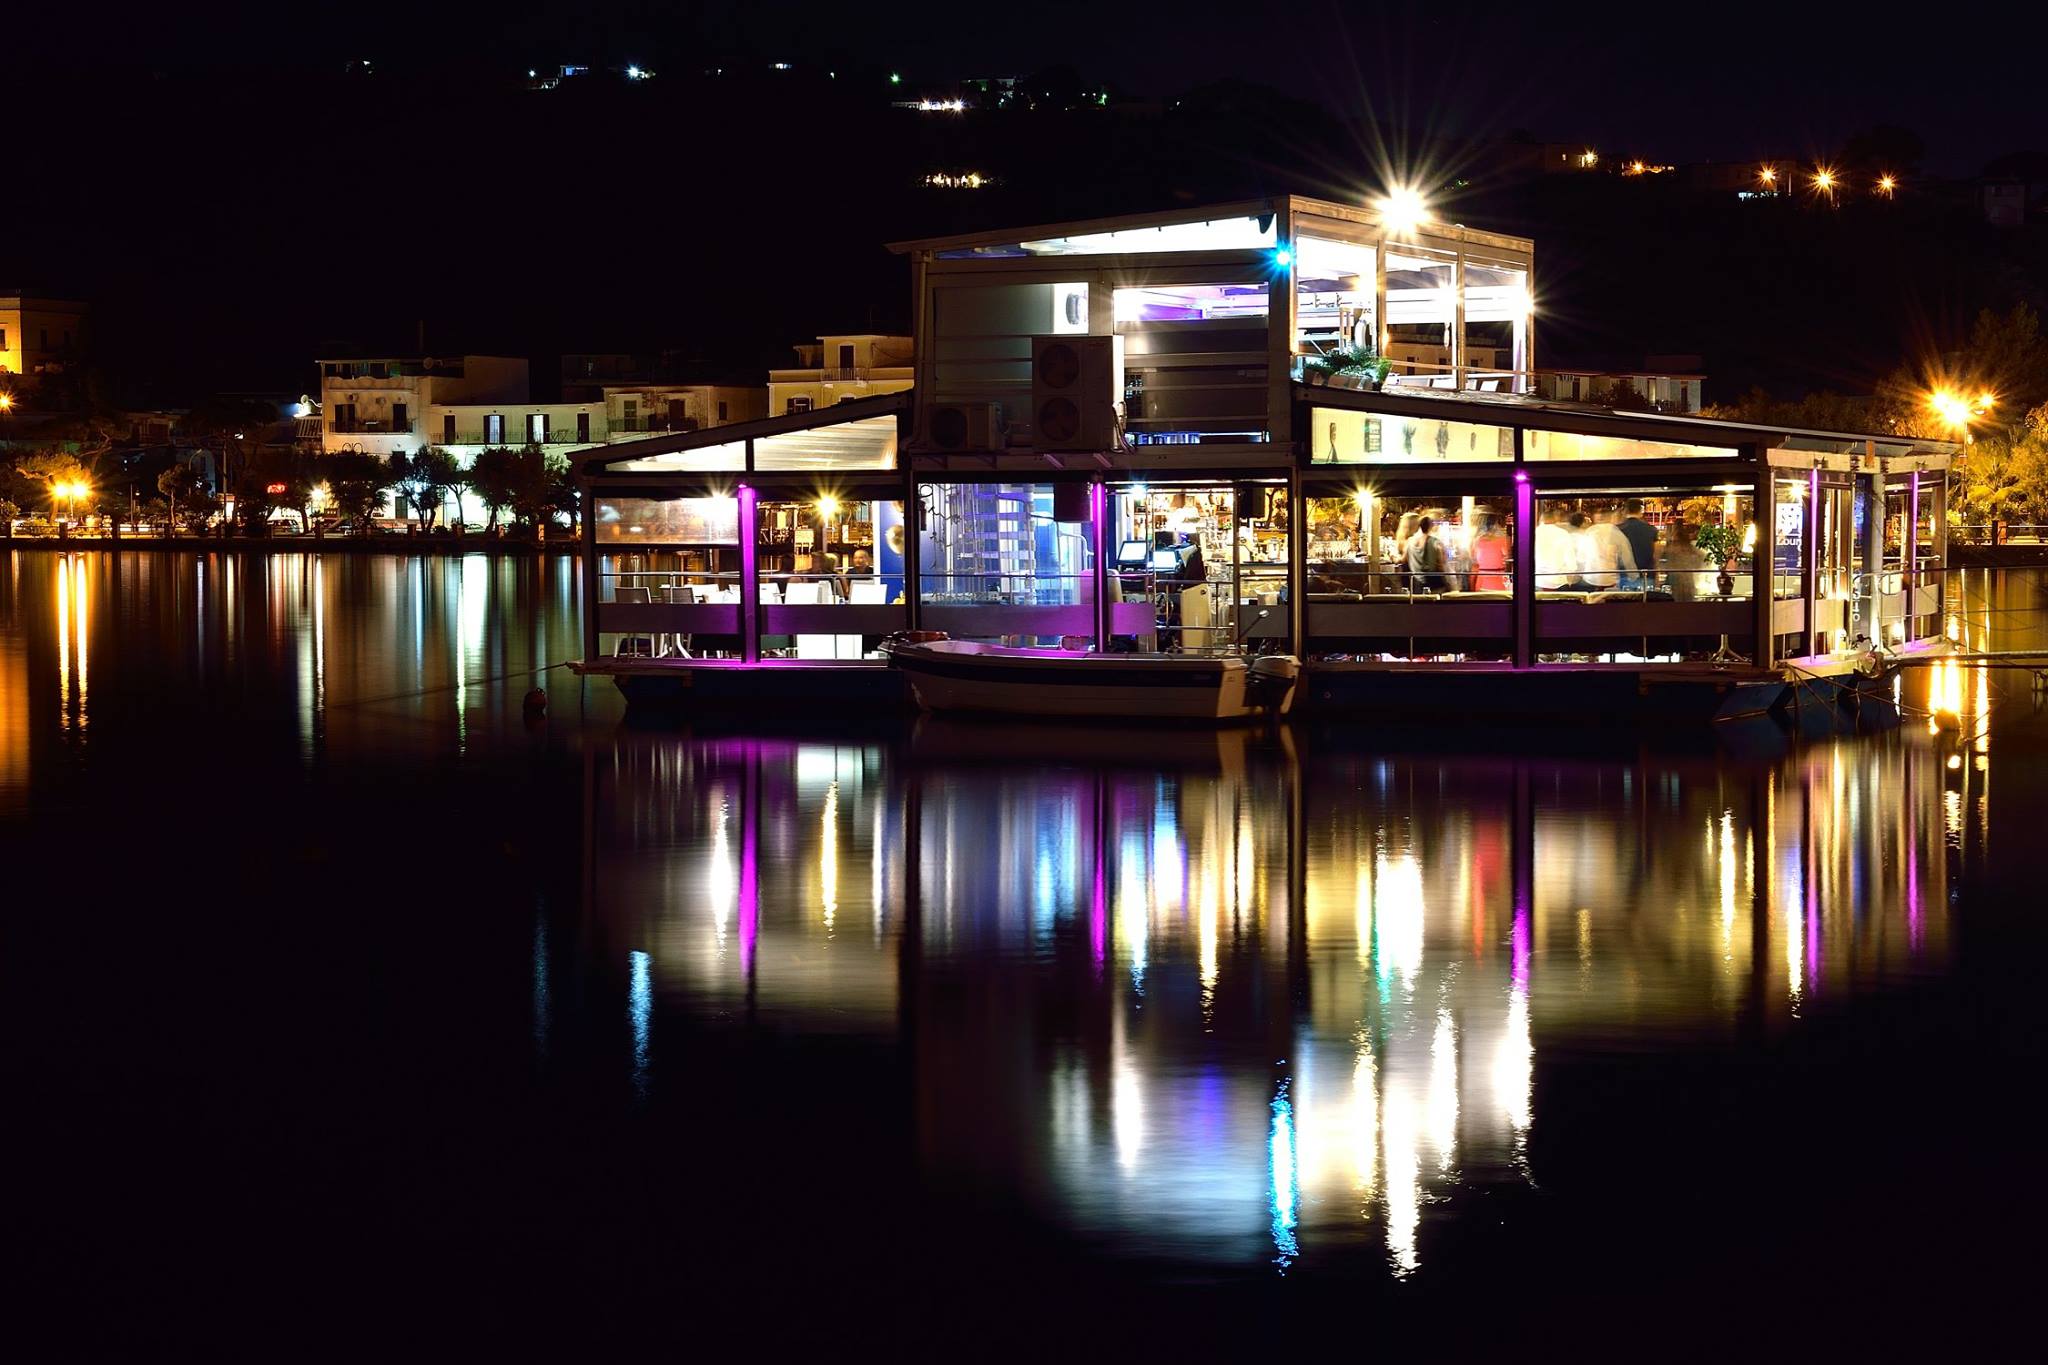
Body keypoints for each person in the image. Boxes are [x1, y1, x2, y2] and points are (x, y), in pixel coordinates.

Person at [1579, 505, 1639, 591]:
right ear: (1610, 517)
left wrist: (1580, 574)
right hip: (1610, 579)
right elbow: (1627, 558)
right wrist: (1633, 576)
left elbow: (1581, 557)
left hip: (1590, 578)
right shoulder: (1616, 533)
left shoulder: (1589, 532)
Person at [1535, 504, 1578, 591]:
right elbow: (1570, 560)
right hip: (1558, 581)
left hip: (1538, 581)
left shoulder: (1535, 532)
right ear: (1556, 519)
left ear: (1542, 519)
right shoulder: (1563, 533)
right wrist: (1571, 576)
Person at [1617, 499, 1658, 589]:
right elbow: (1655, 554)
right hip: (1646, 575)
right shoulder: (1651, 529)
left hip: (1624, 574)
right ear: (1641, 510)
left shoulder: (1618, 529)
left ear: (1626, 510)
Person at [1469, 512, 1511, 592]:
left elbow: (1474, 567)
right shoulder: (1504, 540)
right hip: (1499, 581)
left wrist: (1471, 587)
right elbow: (1506, 559)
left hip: (1481, 582)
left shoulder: (1475, 541)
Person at [1665, 522, 1707, 601]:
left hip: (1678, 582)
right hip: (1686, 582)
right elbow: (1702, 559)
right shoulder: (1691, 550)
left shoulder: (1673, 549)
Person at [1406, 515, 1449, 591]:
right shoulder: (1436, 542)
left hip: (1416, 581)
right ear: (1431, 526)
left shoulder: (1411, 541)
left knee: (1418, 601)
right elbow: (1441, 562)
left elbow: (1403, 559)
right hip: (1433, 580)